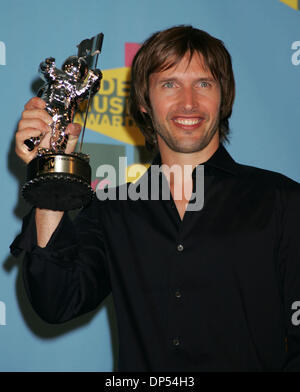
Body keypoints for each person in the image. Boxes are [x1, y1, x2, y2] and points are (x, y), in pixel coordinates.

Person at [11, 25, 300, 372]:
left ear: (224, 97)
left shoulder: (283, 202)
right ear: (144, 103)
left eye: (204, 83)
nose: (188, 102)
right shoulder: (112, 210)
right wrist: (50, 173)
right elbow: (56, 301)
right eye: (169, 84)